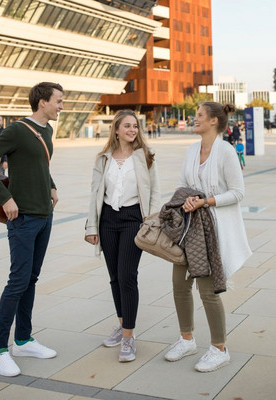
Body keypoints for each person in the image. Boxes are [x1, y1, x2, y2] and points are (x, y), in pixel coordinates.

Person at [0, 82, 63, 377]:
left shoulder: (47, 132)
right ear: (42, 102)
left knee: (32, 278)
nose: (61, 106)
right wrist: (6, 198)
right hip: (23, 217)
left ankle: (23, 339)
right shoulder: (15, 130)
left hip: (44, 215)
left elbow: (41, 165)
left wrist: (51, 187)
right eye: (58, 101)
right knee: (17, 281)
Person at [164, 102, 251, 372]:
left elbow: (238, 192)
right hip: (188, 228)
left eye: (199, 115)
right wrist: (188, 199)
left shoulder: (225, 151)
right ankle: (187, 338)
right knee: (179, 284)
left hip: (213, 231)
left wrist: (206, 201)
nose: (194, 118)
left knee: (208, 290)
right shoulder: (192, 150)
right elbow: (182, 184)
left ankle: (219, 348)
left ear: (214, 121)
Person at [85, 109, 160, 363]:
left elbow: (155, 192)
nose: (132, 130)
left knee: (128, 276)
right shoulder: (103, 158)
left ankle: (129, 337)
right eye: (127, 126)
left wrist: (150, 222)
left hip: (132, 220)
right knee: (115, 277)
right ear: (116, 129)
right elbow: (95, 194)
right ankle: (122, 324)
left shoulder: (145, 157)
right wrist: (91, 227)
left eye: (135, 126)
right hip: (107, 220)